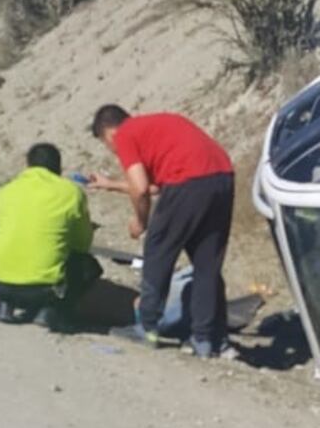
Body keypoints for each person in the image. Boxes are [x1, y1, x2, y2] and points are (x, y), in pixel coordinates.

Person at [88, 106, 234, 357]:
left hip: (188, 183)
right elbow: (155, 187)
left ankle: (147, 327)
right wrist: (110, 185)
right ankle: (208, 339)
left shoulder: (125, 135)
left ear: (107, 133)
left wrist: (140, 221)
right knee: (207, 265)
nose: (111, 149)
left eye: (105, 144)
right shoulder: (159, 125)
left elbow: (141, 189)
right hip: (222, 179)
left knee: (157, 253)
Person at [0, 143, 102, 328]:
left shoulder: (8, 190)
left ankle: (5, 301)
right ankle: (52, 309)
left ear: (27, 165)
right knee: (88, 267)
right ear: (58, 168)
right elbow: (81, 245)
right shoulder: (72, 193)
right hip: (43, 288)